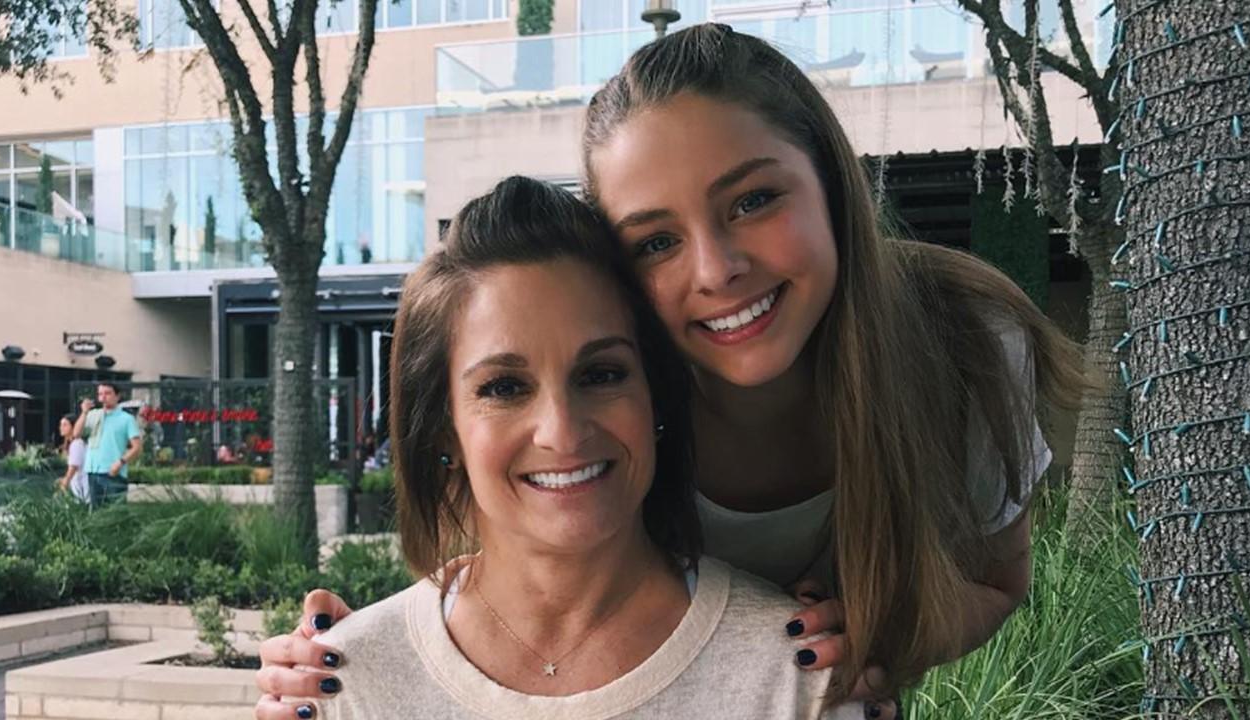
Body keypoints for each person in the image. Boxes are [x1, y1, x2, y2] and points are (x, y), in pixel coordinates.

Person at [255, 24, 1084, 720]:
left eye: (753, 201)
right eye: (656, 242)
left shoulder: (963, 346)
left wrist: (869, 648)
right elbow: (530, 551)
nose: (717, 269)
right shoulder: (614, 384)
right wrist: (358, 661)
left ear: (832, 183)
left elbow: (996, 579)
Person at [302, 177, 858, 719]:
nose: (562, 432)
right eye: (504, 387)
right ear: (444, 432)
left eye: (600, 374)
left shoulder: (797, 680)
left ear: (656, 400)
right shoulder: (345, 683)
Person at [72, 383, 143, 508]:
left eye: (107, 393)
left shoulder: (126, 419)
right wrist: (84, 413)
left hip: (113, 472)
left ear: (117, 396)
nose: (103, 397)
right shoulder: (93, 415)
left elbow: (137, 447)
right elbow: (76, 433)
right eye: (100, 394)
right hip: (93, 470)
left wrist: (120, 462)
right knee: (96, 513)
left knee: (115, 513)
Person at [55, 414, 89, 502]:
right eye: (61, 425)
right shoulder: (72, 444)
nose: (61, 427)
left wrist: (66, 481)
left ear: (73, 426)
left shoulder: (76, 444)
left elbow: (73, 466)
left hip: (82, 486)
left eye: (65, 425)